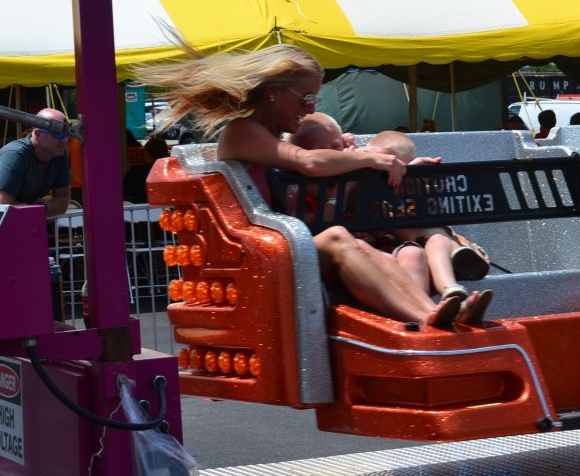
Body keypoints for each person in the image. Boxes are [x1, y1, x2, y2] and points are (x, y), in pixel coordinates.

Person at [135, 45, 487, 328]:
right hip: (259, 252)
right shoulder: (243, 131)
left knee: (369, 249)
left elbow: (322, 167)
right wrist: (368, 157)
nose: (310, 108)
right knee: (337, 237)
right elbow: (309, 162)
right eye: (305, 98)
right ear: (273, 93)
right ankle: (426, 317)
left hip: (286, 243)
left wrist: (403, 167)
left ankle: (436, 312)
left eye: (314, 100)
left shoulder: (273, 132)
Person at [0, 107, 72, 417]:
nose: (65, 139)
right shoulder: (14, 155)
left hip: (8, 226)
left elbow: (62, 201)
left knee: (12, 297)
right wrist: (35, 210)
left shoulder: (59, 155)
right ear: (36, 133)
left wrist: (31, 212)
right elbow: (0, 206)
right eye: (58, 133)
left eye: (67, 132)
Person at [364, 131, 492, 294]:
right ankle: (454, 277)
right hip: (412, 248)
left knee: (439, 237)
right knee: (433, 238)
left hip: (434, 242)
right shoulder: (373, 195)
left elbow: (433, 213)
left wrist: (428, 186)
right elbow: (380, 217)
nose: (393, 175)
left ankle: (459, 262)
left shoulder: (420, 189)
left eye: (400, 169)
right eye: (384, 168)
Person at [123, 137, 170, 204]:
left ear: (147, 154)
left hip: (139, 210)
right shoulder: (171, 172)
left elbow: (124, 194)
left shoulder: (135, 172)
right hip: (167, 210)